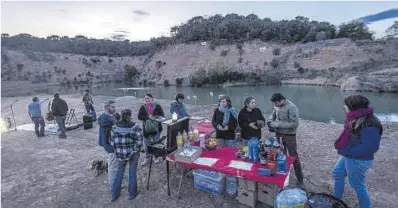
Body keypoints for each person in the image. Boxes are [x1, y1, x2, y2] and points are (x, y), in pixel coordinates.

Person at [333, 95, 382, 208]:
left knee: (358, 185)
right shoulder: (355, 117)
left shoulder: (371, 123)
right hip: (349, 155)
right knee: (338, 173)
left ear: (354, 107)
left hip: (358, 159)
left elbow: (370, 148)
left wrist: (348, 151)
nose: (344, 107)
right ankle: (336, 199)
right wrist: (346, 150)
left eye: (347, 105)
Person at [268, 93, 304, 187]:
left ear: (282, 100)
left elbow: (295, 124)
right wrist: (270, 119)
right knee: (279, 154)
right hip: (278, 133)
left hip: (289, 135)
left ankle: (300, 179)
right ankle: (282, 174)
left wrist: (278, 125)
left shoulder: (292, 107)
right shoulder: (276, 105)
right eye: (274, 103)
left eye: (276, 103)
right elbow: (273, 113)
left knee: (294, 156)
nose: (275, 105)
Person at [110, 109, 143, 201]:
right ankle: (132, 194)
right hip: (133, 153)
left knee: (119, 173)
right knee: (132, 173)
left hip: (120, 155)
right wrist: (133, 150)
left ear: (121, 115)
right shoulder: (135, 126)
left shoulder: (114, 127)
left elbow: (112, 142)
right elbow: (140, 141)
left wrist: (119, 151)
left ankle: (114, 195)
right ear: (130, 115)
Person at [138, 93, 165, 166]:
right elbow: (139, 117)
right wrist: (148, 117)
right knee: (146, 144)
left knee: (156, 144)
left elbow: (162, 115)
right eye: (145, 99)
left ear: (152, 99)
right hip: (146, 130)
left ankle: (155, 157)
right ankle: (147, 158)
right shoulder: (143, 107)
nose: (147, 100)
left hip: (156, 129)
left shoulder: (157, 106)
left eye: (148, 98)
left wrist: (154, 117)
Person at [98, 100, 119, 190]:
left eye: (114, 107)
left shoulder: (108, 116)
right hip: (111, 146)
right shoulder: (106, 120)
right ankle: (112, 185)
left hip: (109, 145)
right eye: (112, 107)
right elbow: (108, 136)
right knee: (113, 166)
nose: (115, 108)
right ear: (107, 108)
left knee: (113, 164)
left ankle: (112, 181)